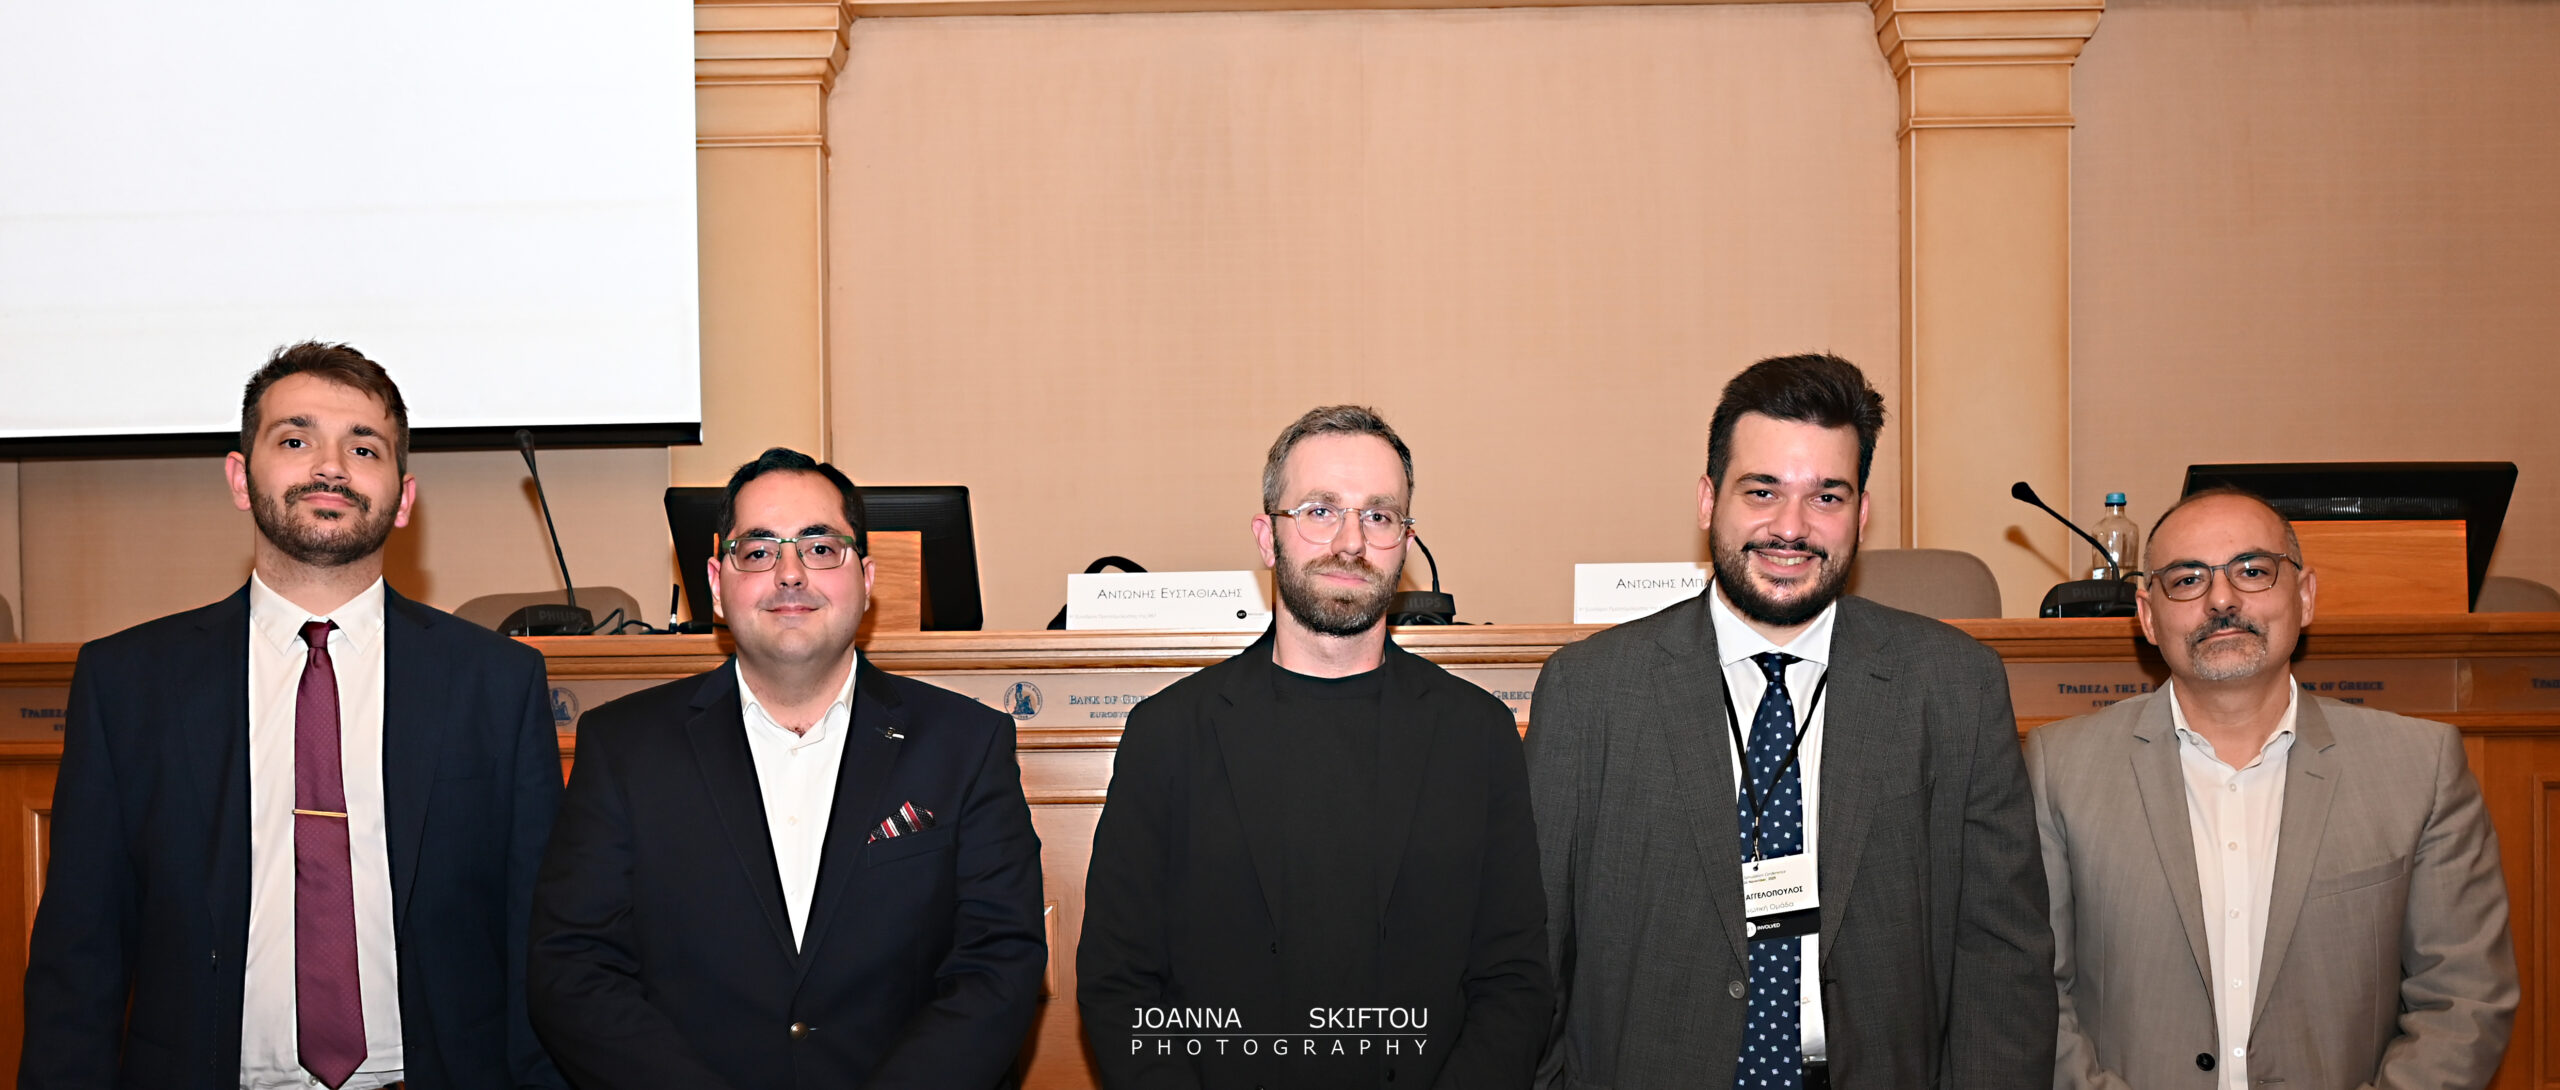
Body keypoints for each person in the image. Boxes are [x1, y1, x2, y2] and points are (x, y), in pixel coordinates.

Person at [21, 342, 566, 1089]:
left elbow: (539, 943)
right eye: (296, 441)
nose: (331, 467)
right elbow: (77, 959)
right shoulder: (128, 684)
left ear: (404, 498)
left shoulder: (497, 684)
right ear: (239, 479)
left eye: (363, 448)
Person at [1526, 354, 2054, 1090]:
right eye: (1762, 491)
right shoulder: (1590, 692)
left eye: (1826, 497)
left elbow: (2003, 957)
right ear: (1708, 500)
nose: (1790, 528)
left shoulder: (1953, 685)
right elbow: (1535, 954)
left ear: (1861, 515)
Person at [527, 447, 1046, 1089]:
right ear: (717, 584)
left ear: (867, 579)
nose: (791, 574)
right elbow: (574, 966)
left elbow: (999, 962)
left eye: (821, 548)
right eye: (758, 551)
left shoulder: (966, 744)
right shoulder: (623, 747)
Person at [1078, 405, 1551, 1089]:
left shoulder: (1477, 734)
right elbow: (1119, 981)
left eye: (1379, 515)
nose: (1351, 541)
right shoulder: (1169, 735)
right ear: (1268, 538)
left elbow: (1513, 980)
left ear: (1404, 541)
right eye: (1320, 511)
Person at [2028, 488, 2516, 1090]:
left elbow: (2464, 1000)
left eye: (2253, 571)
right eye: (2187, 580)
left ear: (2304, 596)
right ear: (2148, 617)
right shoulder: (2059, 769)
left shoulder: (2421, 767)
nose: (2222, 599)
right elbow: (2032, 993)